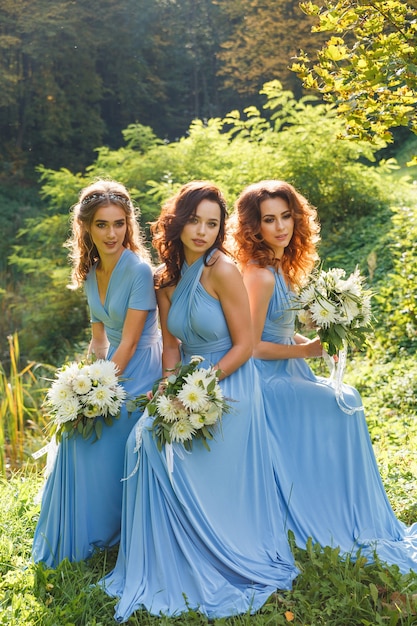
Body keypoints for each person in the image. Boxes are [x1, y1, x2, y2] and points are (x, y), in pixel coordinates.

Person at [99, 180, 298, 621]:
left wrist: (203, 386)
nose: (202, 231)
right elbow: (171, 348)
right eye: (194, 220)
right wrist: (170, 385)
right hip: (190, 379)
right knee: (145, 437)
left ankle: (217, 544)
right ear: (178, 222)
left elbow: (245, 345)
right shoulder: (166, 280)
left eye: (212, 223)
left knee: (179, 448)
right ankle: (160, 555)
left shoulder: (222, 270)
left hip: (232, 381)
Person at [230, 179, 417, 573]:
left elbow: (275, 331)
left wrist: (317, 338)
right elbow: (251, 346)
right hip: (264, 381)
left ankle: (346, 504)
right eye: (268, 219)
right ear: (253, 227)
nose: (280, 226)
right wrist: (307, 350)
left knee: (346, 399)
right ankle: (336, 511)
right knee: (344, 401)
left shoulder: (280, 267)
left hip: (286, 369)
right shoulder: (259, 275)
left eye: (286, 216)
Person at [32, 179, 162, 567]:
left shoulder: (138, 270)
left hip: (142, 368)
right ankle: (81, 533)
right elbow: (100, 341)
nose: (111, 233)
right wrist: (80, 383)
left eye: (119, 223)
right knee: (73, 433)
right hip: (112, 367)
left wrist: (98, 391)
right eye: (102, 225)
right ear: (86, 227)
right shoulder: (90, 272)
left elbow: (130, 342)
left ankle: (107, 531)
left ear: (129, 225)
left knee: (101, 427)